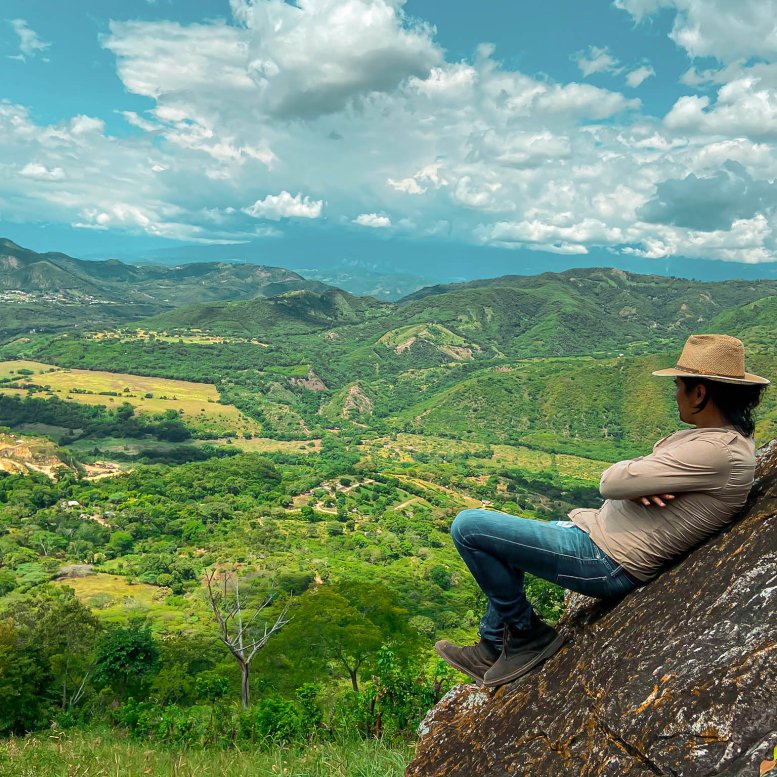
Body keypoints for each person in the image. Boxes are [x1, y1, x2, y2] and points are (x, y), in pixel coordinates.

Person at [435, 334, 770, 689]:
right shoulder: (716, 441)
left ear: (699, 393)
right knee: (501, 536)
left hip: (605, 559)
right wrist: (643, 481)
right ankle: (492, 644)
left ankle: (526, 634)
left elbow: (610, 481)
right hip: (594, 535)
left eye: (678, 386)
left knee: (469, 526)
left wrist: (637, 479)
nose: (674, 395)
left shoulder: (716, 452)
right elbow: (635, 475)